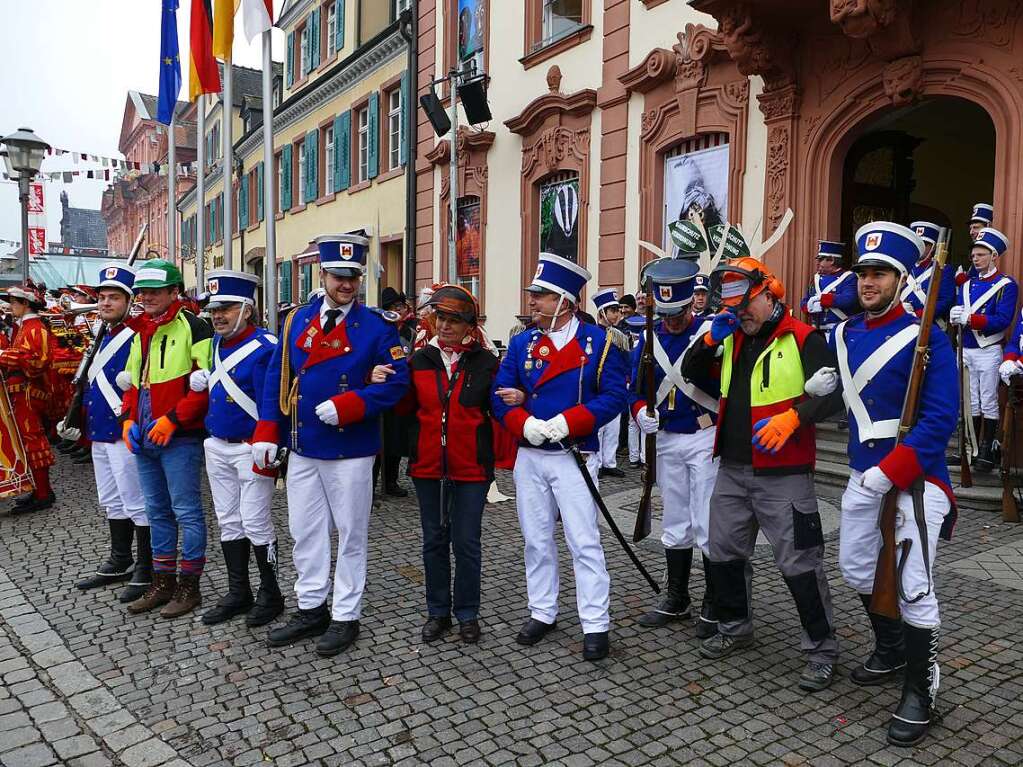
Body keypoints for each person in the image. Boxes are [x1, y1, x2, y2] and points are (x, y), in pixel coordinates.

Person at [814, 221, 957, 747]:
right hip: (860, 474)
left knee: (914, 584)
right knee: (856, 568)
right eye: (863, 273)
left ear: (901, 278)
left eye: (880, 273)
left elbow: (941, 419)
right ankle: (892, 647)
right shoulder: (844, 334)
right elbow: (841, 397)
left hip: (915, 481)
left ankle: (923, 690)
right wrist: (809, 402)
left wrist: (889, 473)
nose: (868, 282)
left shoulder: (927, 338)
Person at [681, 256, 841, 691]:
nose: (740, 315)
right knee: (724, 555)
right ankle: (735, 628)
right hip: (732, 468)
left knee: (801, 564)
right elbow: (693, 374)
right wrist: (708, 342)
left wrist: (795, 417)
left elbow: (834, 396)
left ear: (772, 294)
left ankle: (821, 650)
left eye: (747, 305)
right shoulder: (732, 336)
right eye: (733, 308)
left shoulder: (805, 338)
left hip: (784, 473)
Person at [253, 234, 409, 657]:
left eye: (353, 277)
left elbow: (398, 382)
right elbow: (278, 377)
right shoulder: (296, 320)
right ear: (321, 274)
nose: (346, 285)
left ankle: (346, 614)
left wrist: (351, 404)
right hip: (304, 445)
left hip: (350, 449)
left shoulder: (377, 327)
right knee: (304, 532)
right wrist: (269, 429)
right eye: (339, 276)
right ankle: (310, 606)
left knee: (351, 535)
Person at [491, 253, 627, 661]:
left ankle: (595, 622)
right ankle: (542, 610)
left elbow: (615, 395)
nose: (532, 302)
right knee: (535, 539)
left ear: (565, 301)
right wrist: (522, 422)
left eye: (541, 296)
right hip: (531, 455)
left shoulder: (599, 343)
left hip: (574, 454)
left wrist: (572, 421)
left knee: (584, 542)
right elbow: (501, 394)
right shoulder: (521, 343)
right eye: (534, 296)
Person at [383, 285, 498, 644]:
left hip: (472, 467)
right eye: (440, 318)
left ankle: (467, 613)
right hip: (428, 465)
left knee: (466, 542)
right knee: (433, 541)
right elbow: (402, 410)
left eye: (454, 320)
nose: (445, 326)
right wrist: (384, 380)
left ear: (469, 325)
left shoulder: (487, 363)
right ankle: (437, 612)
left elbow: (499, 411)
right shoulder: (418, 360)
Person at [630, 258, 721, 636]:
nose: (671, 321)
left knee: (707, 521)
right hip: (665, 437)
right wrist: (639, 414)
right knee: (676, 519)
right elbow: (633, 391)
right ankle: (677, 596)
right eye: (664, 313)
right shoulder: (647, 338)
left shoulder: (712, 335)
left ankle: (714, 603)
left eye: (677, 312)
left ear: (691, 304)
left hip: (703, 434)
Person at [188, 270, 284, 628]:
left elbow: (272, 402)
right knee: (228, 521)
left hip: (250, 448)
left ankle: (271, 593)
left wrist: (270, 441)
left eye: (226, 308)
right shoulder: (214, 344)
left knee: (256, 521)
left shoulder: (266, 347)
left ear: (247, 308)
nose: (217, 315)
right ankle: (238, 591)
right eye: (214, 309)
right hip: (217, 444)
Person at [120, 260, 213, 618]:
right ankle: (163, 583)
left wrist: (173, 420)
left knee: (186, 512)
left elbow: (203, 386)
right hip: (144, 434)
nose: (146, 298)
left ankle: (190, 587)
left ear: (175, 292)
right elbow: (133, 381)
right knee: (157, 512)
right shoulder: (140, 328)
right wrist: (129, 420)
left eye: (154, 291)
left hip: (180, 437)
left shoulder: (195, 325)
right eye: (142, 292)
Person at [63, 264, 150, 602]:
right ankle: (120, 558)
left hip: (123, 427)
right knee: (111, 499)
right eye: (102, 297)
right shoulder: (103, 333)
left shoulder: (139, 332)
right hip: (100, 428)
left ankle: (145, 566)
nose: (105, 303)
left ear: (130, 301)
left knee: (136, 499)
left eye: (114, 297)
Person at [949, 227, 1018, 473]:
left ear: (993, 256)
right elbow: (960, 311)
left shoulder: (1006, 285)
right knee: (969, 402)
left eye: (980, 255)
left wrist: (972, 319)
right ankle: (970, 448)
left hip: (988, 348)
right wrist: (955, 316)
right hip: (966, 348)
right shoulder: (966, 285)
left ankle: (986, 448)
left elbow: (1003, 319)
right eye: (974, 255)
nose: (975, 259)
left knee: (988, 400)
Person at [0, 284, 56, 513]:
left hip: (30, 392)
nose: (11, 307)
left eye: (14, 303)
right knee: (26, 440)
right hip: (21, 392)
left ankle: (43, 493)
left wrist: (3, 355)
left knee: (33, 440)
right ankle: (39, 489)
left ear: (26, 304)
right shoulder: (25, 326)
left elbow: (36, 361)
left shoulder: (34, 328)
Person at [376, 287, 415, 498]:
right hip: (379, 388)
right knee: (377, 443)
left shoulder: (410, 331)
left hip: (401, 393)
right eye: (394, 307)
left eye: (401, 306)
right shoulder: (378, 328)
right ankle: (371, 484)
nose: (399, 310)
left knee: (395, 441)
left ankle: (391, 481)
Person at [591, 288, 629, 479]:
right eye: (613, 310)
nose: (617, 314)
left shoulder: (619, 335)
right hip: (598, 387)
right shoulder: (593, 334)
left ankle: (609, 462)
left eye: (617, 310)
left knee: (613, 428)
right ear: (602, 313)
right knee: (599, 428)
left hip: (615, 385)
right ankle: (596, 463)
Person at [801, 240, 859, 338]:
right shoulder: (816, 279)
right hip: (817, 333)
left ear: (831, 260)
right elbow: (805, 301)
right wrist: (809, 307)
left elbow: (849, 299)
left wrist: (823, 300)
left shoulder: (849, 277)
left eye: (821, 260)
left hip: (839, 332)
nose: (818, 263)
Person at [901, 222, 955, 323]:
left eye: (925, 244)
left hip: (930, 325)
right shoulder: (904, 266)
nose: (920, 247)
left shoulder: (943, 269)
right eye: (917, 243)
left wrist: (918, 314)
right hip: (903, 321)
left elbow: (945, 301)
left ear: (933, 247)